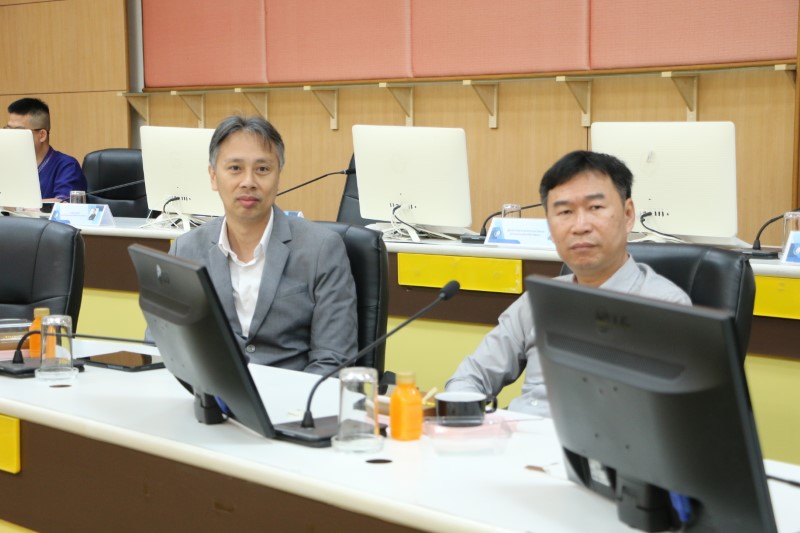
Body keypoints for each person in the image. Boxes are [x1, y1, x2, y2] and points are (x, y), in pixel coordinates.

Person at [445, 150, 691, 417]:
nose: (580, 226)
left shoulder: (666, 307)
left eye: (595, 208)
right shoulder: (537, 301)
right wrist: (467, 421)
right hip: (519, 435)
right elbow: (469, 378)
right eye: (564, 212)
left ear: (628, 215)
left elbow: (668, 419)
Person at [169, 115, 358, 375]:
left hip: (294, 396)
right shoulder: (185, 250)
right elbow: (165, 346)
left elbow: (333, 359)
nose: (248, 181)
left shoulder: (322, 249)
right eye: (235, 168)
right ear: (213, 177)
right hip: (212, 395)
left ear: (278, 175)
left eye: (262, 169)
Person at [5, 98, 87, 202]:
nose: (11, 136)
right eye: (8, 129)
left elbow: (63, 203)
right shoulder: (7, 163)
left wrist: (17, 206)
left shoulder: (67, 166)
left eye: (18, 131)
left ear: (42, 135)